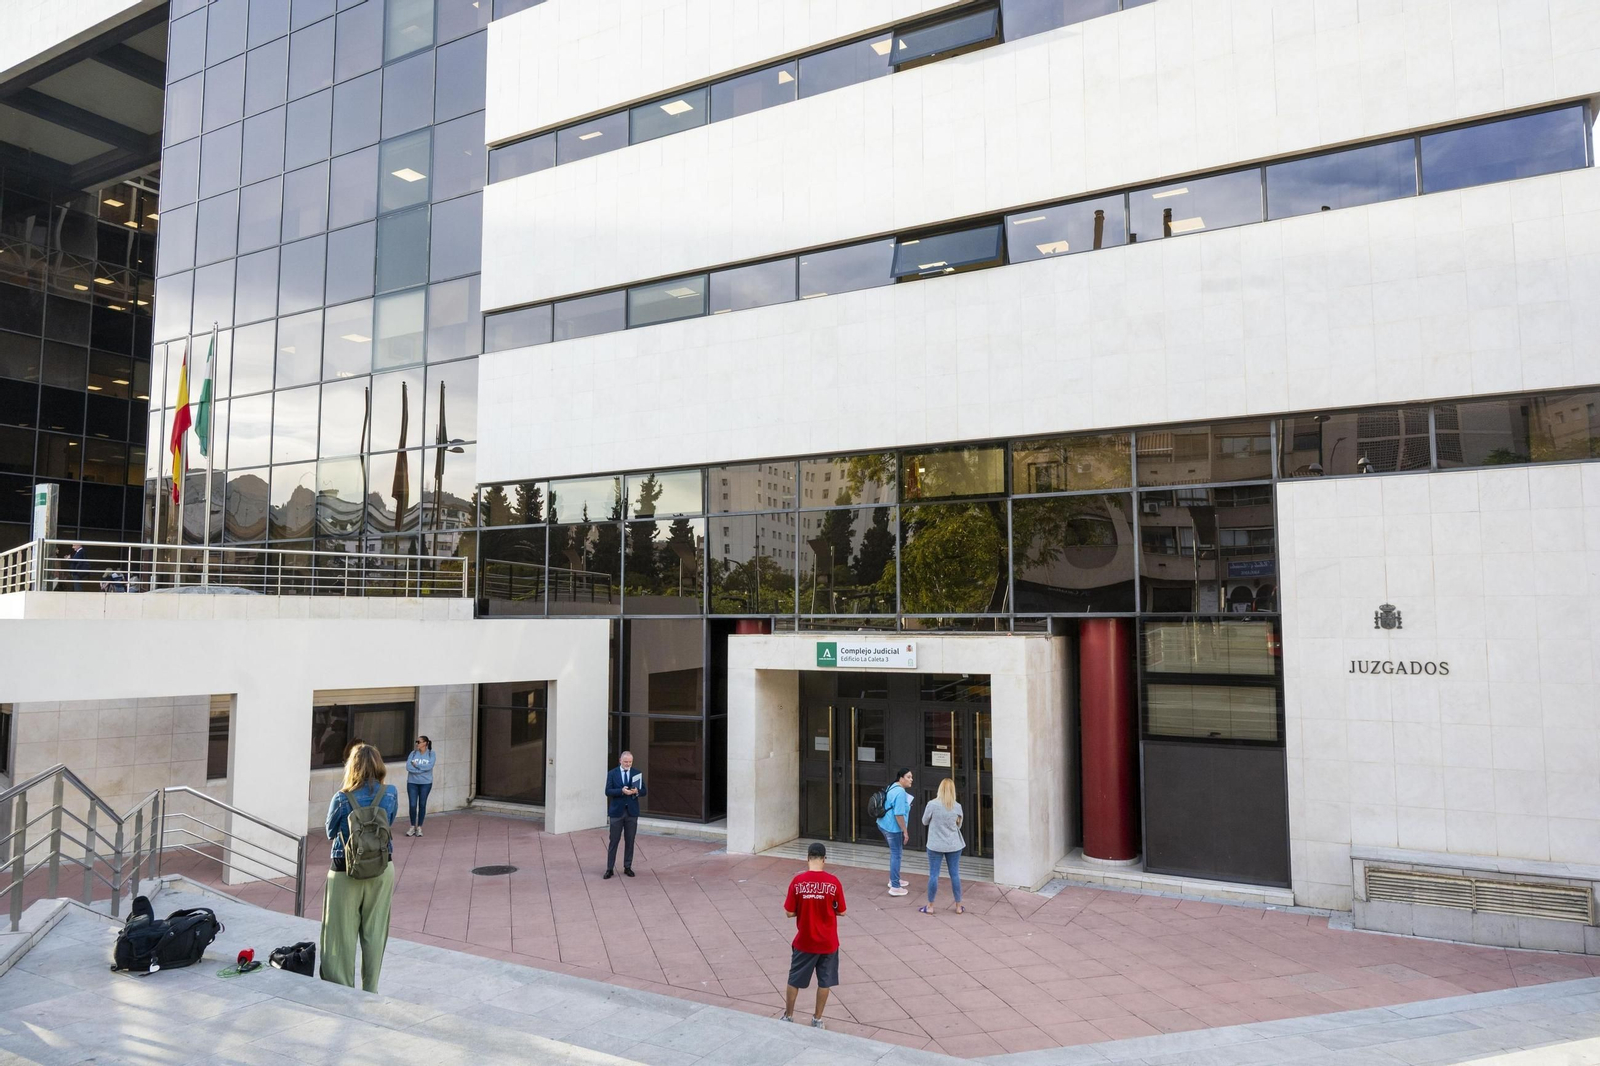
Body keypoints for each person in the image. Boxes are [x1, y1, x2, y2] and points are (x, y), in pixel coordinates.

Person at [320, 743, 398, 992]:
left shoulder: (342, 797)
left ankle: (342, 989)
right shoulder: (391, 793)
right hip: (381, 868)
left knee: (340, 934)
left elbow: (330, 832)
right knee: (375, 932)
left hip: (345, 870)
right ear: (379, 764)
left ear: (351, 766)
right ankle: (371, 989)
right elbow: (390, 823)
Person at [781, 842, 845, 1029]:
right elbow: (842, 910)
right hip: (828, 942)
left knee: (794, 979)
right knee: (825, 981)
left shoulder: (798, 881)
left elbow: (789, 912)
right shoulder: (834, 883)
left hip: (805, 941)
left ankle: (789, 1016)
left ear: (808, 858)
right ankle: (817, 1019)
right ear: (824, 859)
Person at [919, 777, 965, 915]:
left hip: (935, 844)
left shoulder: (932, 804)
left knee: (934, 875)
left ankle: (930, 905)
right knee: (955, 874)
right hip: (954, 845)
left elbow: (924, 821)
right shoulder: (957, 806)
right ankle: (958, 906)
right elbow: (959, 825)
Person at [603, 750, 646, 878]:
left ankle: (628, 866)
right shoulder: (612, 773)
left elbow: (644, 790)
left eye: (630, 762)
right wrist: (621, 791)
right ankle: (609, 868)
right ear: (620, 761)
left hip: (631, 812)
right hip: (617, 812)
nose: (628, 764)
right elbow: (608, 791)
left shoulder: (637, 773)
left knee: (630, 840)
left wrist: (636, 791)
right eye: (626, 762)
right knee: (614, 841)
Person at [875, 767, 914, 896]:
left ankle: (894, 879)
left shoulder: (892, 786)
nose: (911, 779)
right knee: (896, 854)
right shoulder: (901, 792)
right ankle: (895, 886)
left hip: (883, 824)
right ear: (901, 778)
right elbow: (898, 814)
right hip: (893, 828)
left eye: (911, 777)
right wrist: (905, 831)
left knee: (895, 853)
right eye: (908, 777)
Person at [404, 735, 435, 837]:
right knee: (413, 805)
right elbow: (408, 767)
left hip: (425, 783)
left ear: (425, 743)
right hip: (412, 783)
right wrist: (421, 770)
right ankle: (412, 826)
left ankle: (419, 827)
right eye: (416, 742)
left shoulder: (431, 754)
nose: (417, 744)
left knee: (422, 804)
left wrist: (416, 766)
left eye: (419, 742)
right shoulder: (413, 754)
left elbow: (429, 766)